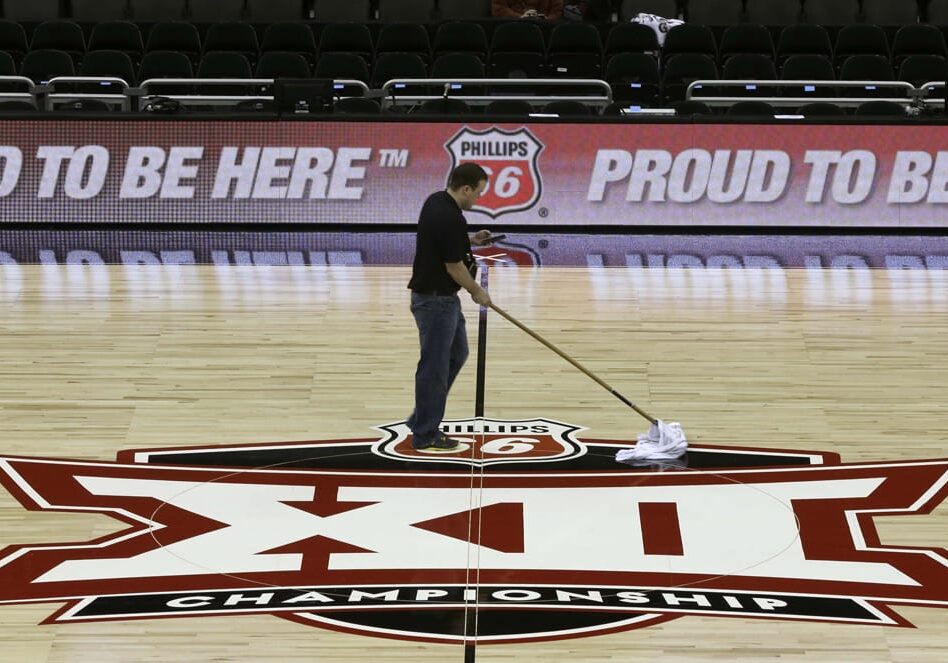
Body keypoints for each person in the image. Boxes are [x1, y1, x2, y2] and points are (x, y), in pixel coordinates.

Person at [406, 163, 494, 451]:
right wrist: (477, 291)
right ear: (465, 188)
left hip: (442, 299)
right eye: (478, 193)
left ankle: (422, 416)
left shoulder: (437, 201)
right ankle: (426, 433)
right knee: (434, 366)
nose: (478, 199)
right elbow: (454, 265)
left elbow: (443, 242)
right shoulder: (450, 217)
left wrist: (471, 239)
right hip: (435, 301)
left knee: (457, 353)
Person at [492, 0, 563, 20]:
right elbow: (499, 9)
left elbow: (557, 12)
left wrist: (544, 19)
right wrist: (520, 17)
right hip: (512, 26)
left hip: (544, 27)